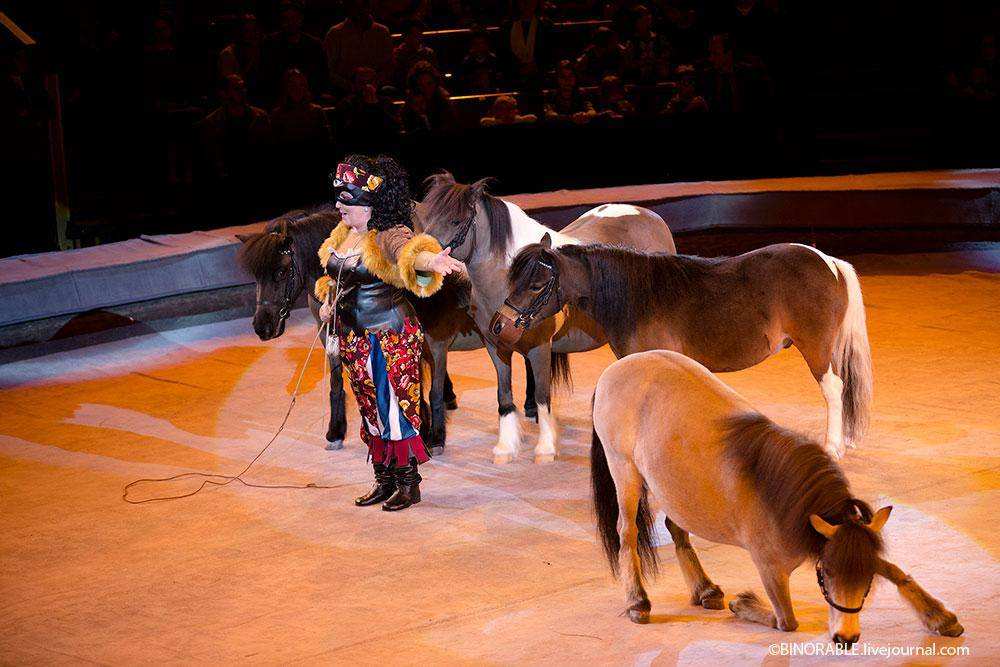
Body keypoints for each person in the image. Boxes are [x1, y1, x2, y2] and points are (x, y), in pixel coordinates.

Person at [315, 155, 465, 511]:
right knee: (370, 409)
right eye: (338, 197)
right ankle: (384, 481)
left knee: (396, 408)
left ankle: (408, 485)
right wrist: (327, 300)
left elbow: (410, 253)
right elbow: (334, 277)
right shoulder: (344, 233)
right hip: (355, 336)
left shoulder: (387, 233)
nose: (339, 205)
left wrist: (433, 261)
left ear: (369, 204)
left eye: (347, 199)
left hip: (389, 336)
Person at [260, 0, 327, 103]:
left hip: (309, 99)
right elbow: (266, 76)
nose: (290, 23)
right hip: (278, 100)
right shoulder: (270, 43)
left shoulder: (314, 45)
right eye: (286, 19)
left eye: (294, 18)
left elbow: (321, 74)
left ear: (301, 19)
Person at [323, 0, 394, 94]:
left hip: (377, 89)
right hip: (345, 90)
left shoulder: (382, 32)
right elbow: (328, 69)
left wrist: (375, 83)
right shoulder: (335, 34)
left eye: (363, 6)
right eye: (355, 6)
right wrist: (350, 85)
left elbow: (389, 66)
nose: (360, 11)